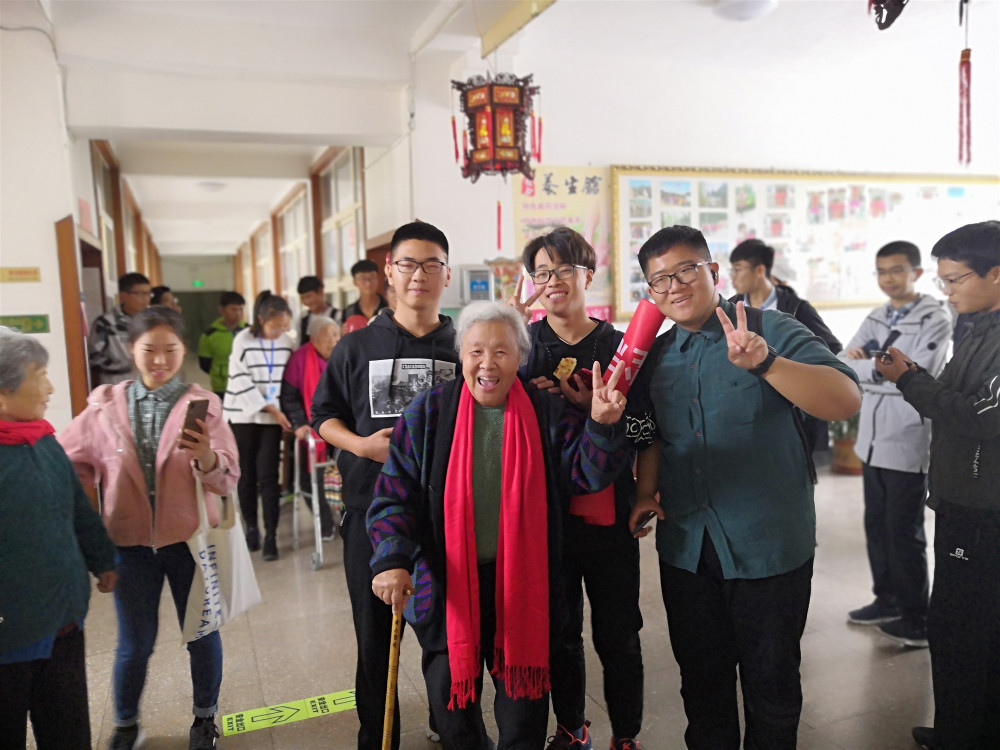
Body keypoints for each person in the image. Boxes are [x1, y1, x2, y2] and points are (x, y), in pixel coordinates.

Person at [624, 226, 861, 749]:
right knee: (701, 683)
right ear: (651, 292)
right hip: (688, 546)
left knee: (771, 685)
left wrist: (767, 363)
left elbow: (845, 399)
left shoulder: (770, 328)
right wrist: (645, 492)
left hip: (768, 545)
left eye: (686, 270)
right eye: (660, 279)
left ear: (712, 272)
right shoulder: (656, 355)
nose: (675, 286)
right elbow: (655, 436)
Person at [367, 301, 631, 750]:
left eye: (501, 352)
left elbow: (585, 474)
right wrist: (392, 559)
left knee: (524, 716)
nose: (487, 364)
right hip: (448, 586)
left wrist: (602, 425)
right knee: (454, 717)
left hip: (523, 587)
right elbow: (395, 495)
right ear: (461, 355)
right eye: (476, 351)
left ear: (521, 357)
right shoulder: (428, 414)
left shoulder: (546, 412)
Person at [59, 306, 240, 750]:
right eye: (149, 350)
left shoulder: (202, 405)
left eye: (170, 350)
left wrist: (207, 457)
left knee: (201, 635)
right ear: (130, 349)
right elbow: (67, 463)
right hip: (129, 544)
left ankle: (204, 718)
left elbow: (228, 478)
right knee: (134, 644)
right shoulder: (104, 407)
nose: (160, 360)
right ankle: (126, 723)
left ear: (184, 349)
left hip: (190, 542)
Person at [311, 220, 460, 750]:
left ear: (447, 274)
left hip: (448, 514)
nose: (419, 274)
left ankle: (451, 724)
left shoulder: (466, 345)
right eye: (408, 264)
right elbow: (323, 416)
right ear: (389, 273)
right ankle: (377, 738)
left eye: (431, 264)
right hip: (371, 513)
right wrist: (361, 446)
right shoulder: (355, 347)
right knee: (374, 638)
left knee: (448, 636)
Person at [511, 227, 644, 750]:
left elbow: (646, 427)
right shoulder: (523, 345)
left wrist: (597, 411)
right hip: (546, 516)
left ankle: (626, 734)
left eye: (564, 269)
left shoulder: (620, 346)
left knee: (619, 632)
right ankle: (572, 727)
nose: (553, 281)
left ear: (588, 275)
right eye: (542, 273)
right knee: (560, 632)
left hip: (610, 513)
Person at [874, 221, 1000, 750]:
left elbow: (981, 417)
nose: (947, 291)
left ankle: (966, 735)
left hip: (984, 505)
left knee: (967, 627)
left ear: (997, 274)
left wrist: (909, 380)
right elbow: (952, 393)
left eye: (955, 279)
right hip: (959, 496)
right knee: (955, 623)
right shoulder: (976, 325)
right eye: (943, 281)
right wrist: (915, 375)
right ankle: (959, 728)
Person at [0, 329, 117, 750]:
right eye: (40, 375)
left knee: (67, 730)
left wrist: (102, 559)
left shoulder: (44, 440)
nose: (50, 387)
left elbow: (78, 509)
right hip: (9, 632)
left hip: (63, 620)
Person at [839, 241, 952, 647]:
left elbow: (917, 374)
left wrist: (871, 366)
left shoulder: (935, 318)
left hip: (906, 437)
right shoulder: (877, 315)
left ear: (917, 273)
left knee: (903, 530)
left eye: (897, 270)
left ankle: (915, 617)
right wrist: (879, 368)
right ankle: (885, 600)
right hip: (871, 440)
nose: (888, 278)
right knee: (876, 524)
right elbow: (841, 363)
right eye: (882, 271)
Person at [223, 290, 294, 561]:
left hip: (271, 419)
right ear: (261, 320)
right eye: (275, 326)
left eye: (284, 326)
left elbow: (289, 380)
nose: (280, 332)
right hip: (243, 415)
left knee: (268, 477)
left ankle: (271, 535)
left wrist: (283, 412)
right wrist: (271, 408)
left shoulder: (287, 342)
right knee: (247, 475)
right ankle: (251, 528)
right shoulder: (243, 339)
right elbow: (240, 379)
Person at [280, 314, 340, 540]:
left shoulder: (343, 354)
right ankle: (324, 523)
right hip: (313, 430)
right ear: (313, 339)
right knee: (312, 479)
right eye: (327, 336)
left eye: (336, 334)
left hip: (342, 428)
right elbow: (289, 397)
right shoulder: (299, 359)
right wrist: (300, 423)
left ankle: (345, 518)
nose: (333, 340)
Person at [88, 272, 151, 386]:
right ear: (123, 295)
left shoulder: (151, 322)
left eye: (148, 294)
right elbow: (93, 357)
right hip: (116, 385)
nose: (146, 299)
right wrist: (124, 366)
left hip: (145, 385)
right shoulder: (107, 323)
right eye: (140, 294)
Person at [198, 291, 248, 400]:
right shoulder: (210, 335)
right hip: (222, 387)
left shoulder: (249, 331)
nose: (238, 313)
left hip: (247, 384)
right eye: (233, 309)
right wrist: (220, 372)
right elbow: (204, 364)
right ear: (222, 310)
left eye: (240, 309)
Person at [297, 275, 336, 344]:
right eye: (302, 298)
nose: (306, 302)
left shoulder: (336, 315)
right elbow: (298, 344)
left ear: (320, 292)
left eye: (308, 296)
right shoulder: (303, 318)